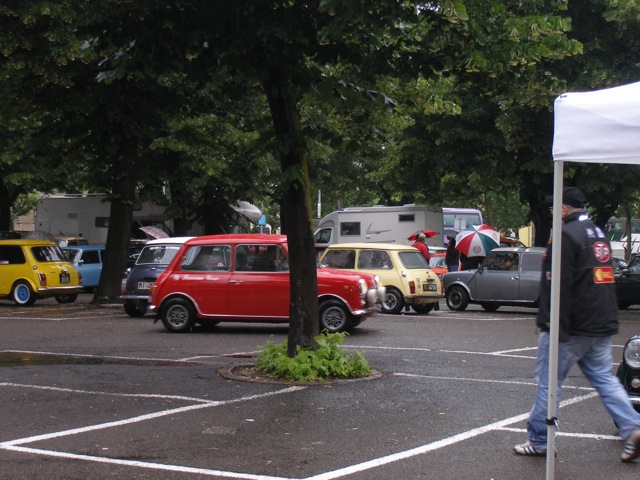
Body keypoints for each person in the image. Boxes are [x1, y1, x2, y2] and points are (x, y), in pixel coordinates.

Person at [514, 186, 640, 462]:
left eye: (553, 207)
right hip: (600, 322)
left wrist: (555, 326)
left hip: (571, 325)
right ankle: (633, 427)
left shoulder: (563, 236)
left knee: (549, 383)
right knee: (604, 378)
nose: (551, 212)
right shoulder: (598, 234)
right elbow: (604, 277)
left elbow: (558, 285)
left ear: (564, 208)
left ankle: (539, 439)